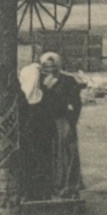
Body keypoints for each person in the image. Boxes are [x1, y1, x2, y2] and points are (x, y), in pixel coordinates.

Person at [20, 53, 83, 200]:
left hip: (62, 121)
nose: (50, 69)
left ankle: (67, 187)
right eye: (47, 66)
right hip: (45, 122)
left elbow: (75, 102)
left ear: (59, 66)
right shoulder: (38, 80)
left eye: (53, 66)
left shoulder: (67, 80)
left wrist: (71, 119)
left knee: (66, 154)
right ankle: (51, 186)